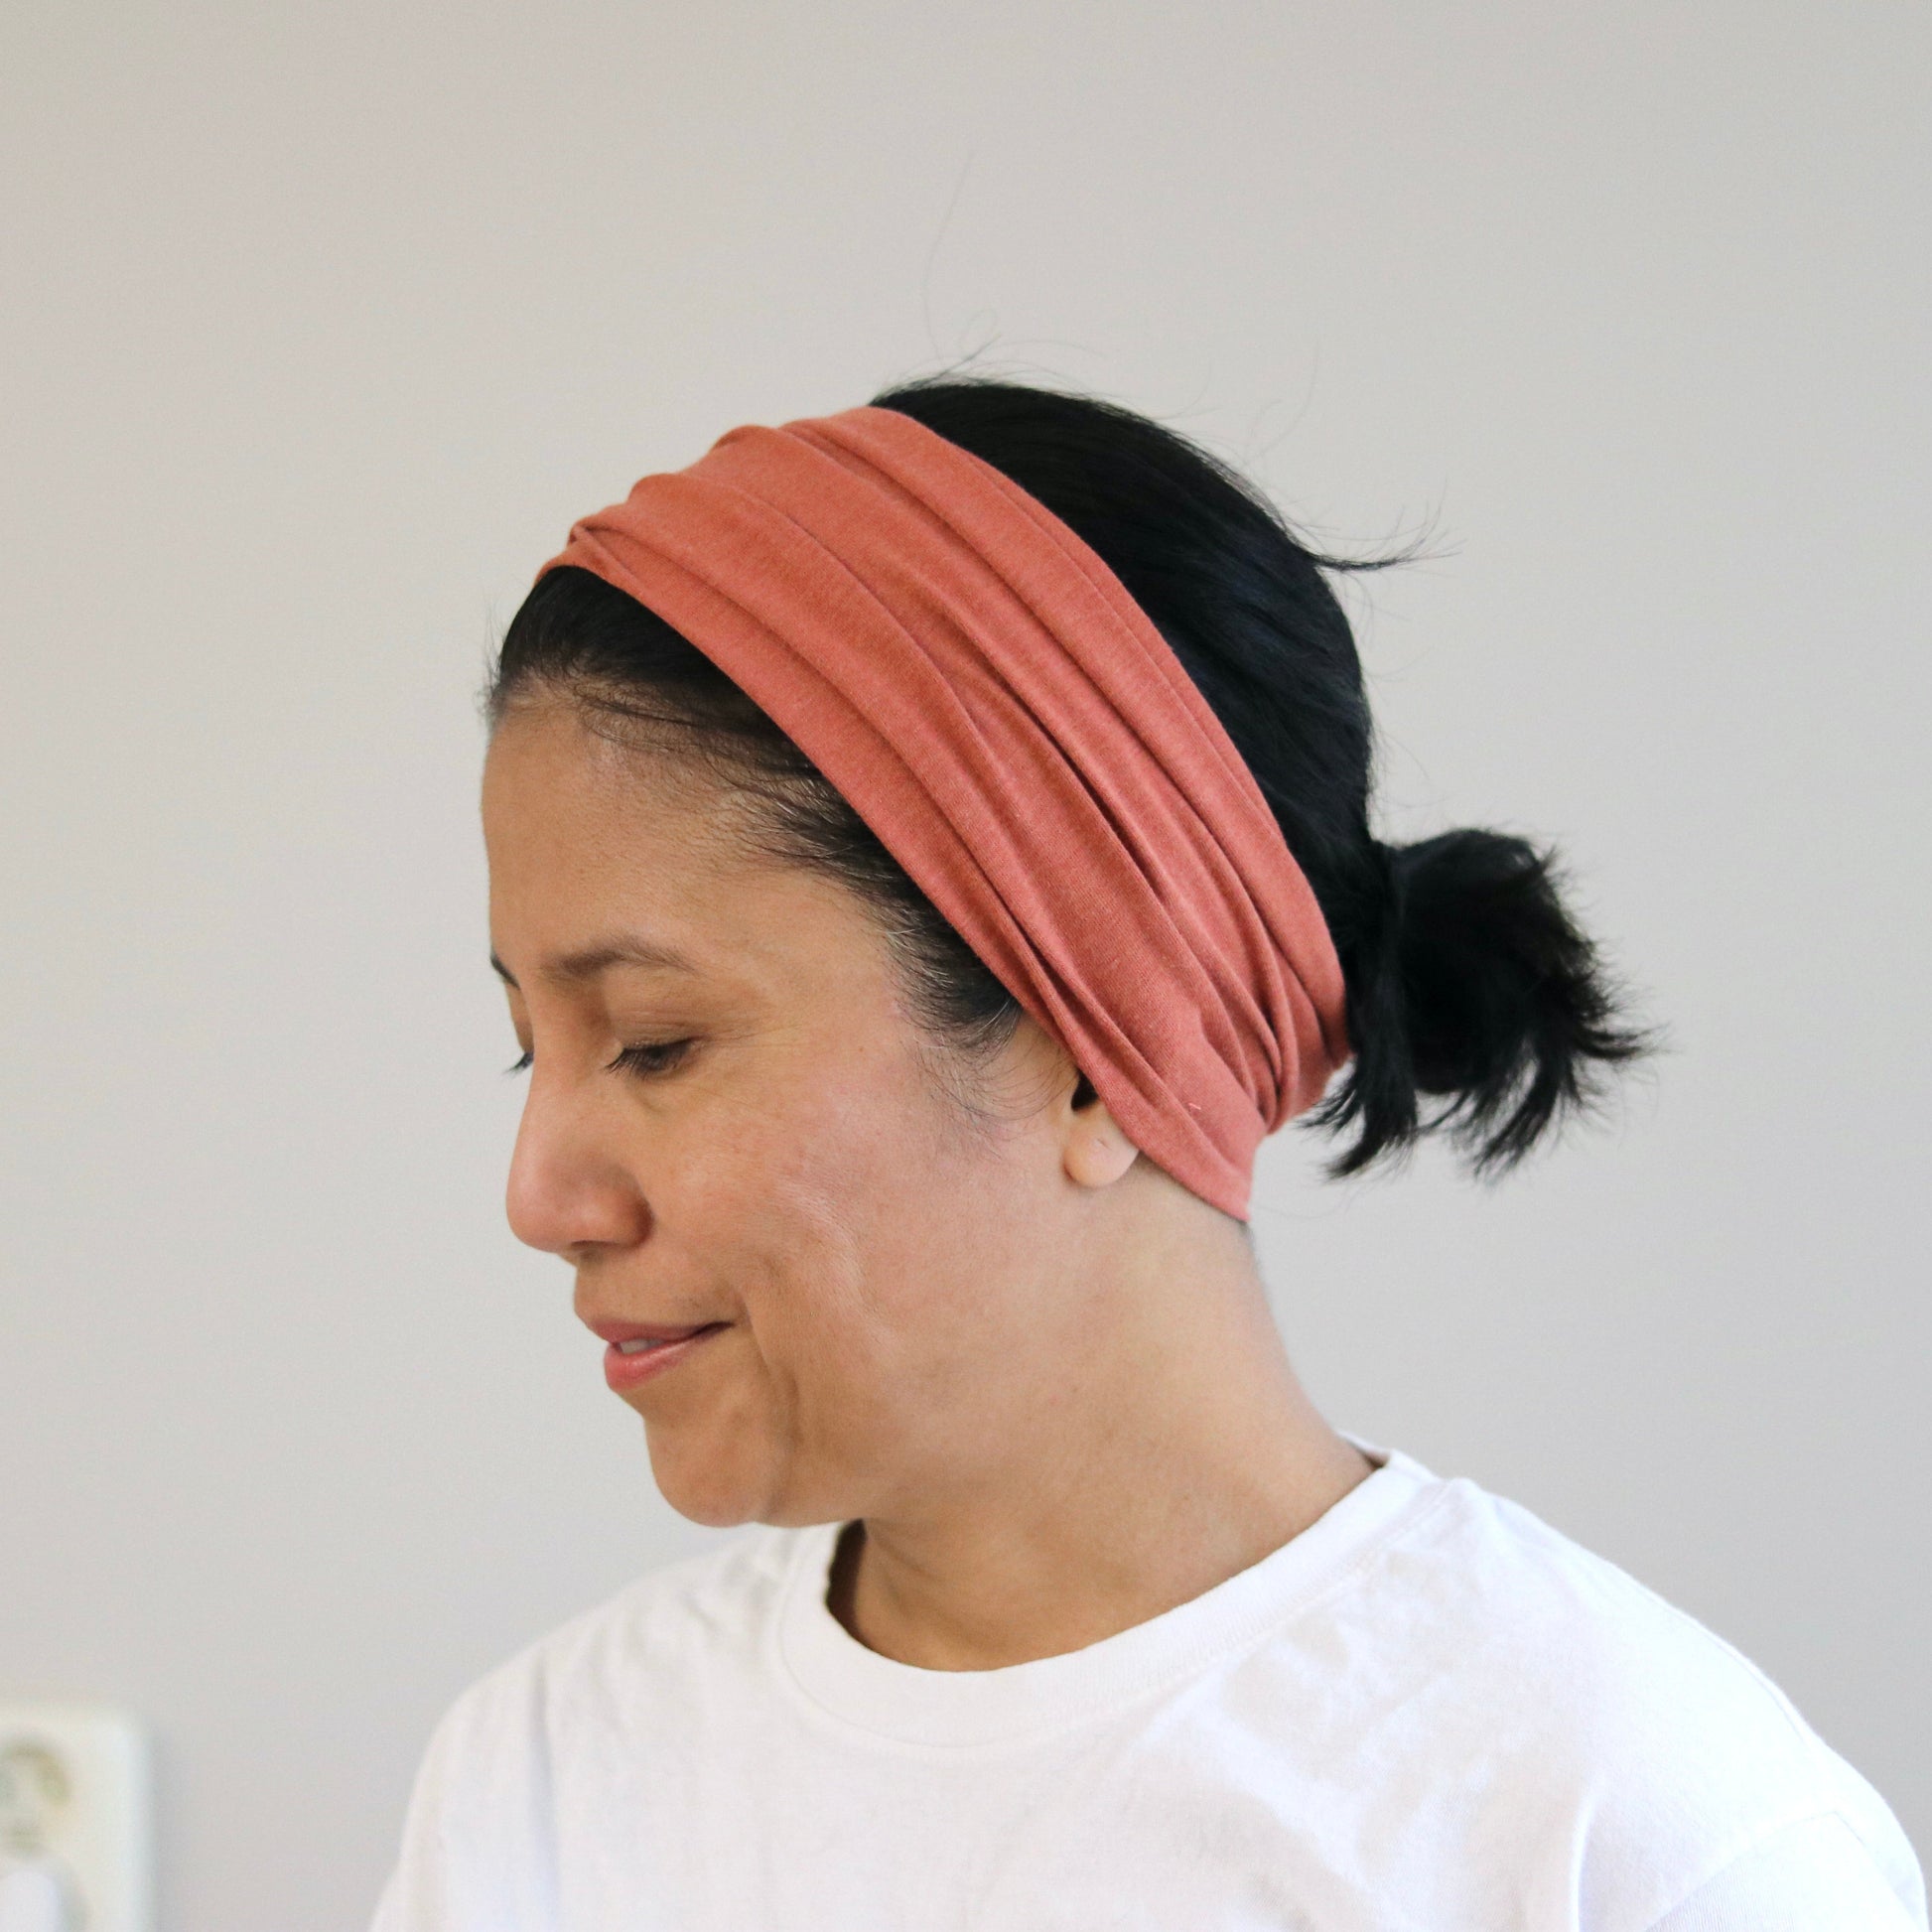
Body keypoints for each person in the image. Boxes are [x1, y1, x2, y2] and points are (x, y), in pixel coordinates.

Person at [369, 377, 1926, 1930]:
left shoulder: (1627, 1835)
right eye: (532, 1043)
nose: (539, 1197)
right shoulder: (545, 1779)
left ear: (1098, 1036)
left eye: (652, 1040)